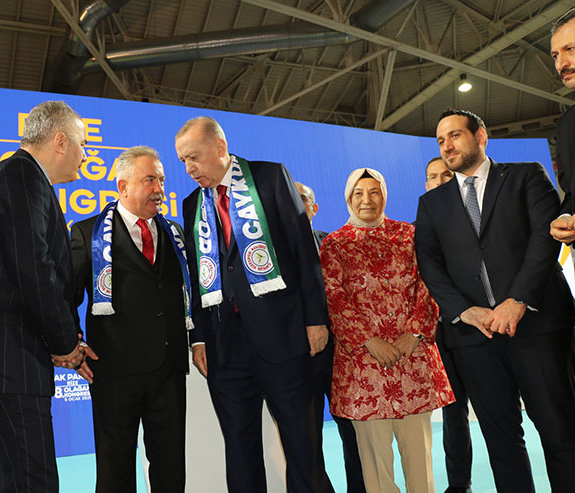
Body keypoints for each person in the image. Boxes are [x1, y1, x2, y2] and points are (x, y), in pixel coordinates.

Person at [415, 109, 575, 492]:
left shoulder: (526, 176)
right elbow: (430, 265)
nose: (447, 146)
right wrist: (464, 311)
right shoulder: (431, 204)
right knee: (502, 443)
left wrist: (518, 300)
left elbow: (544, 239)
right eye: (441, 140)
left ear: (481, 136)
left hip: (536, 326)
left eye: (455, 135)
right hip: (475, 338)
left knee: (560, 433)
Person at [176, 116, 331, 492]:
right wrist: (199, 338)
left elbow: (304, 251)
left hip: (283, 338)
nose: (189, 168)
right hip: (225, 349)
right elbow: (198, 278)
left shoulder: (270, 177)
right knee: (239, 450)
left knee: (302, 446)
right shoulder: (192, 203)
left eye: (194, 157)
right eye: (183, 161)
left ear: (220, 148)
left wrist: (315, 320)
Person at [0, 101, 86, 492]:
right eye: (83, 144)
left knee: (15, 481)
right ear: (60, 141)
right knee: (32, 482)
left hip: (3, 361)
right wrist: (64, 344)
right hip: (6, 362)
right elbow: (34, 271)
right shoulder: (21, 176)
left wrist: (67, 340)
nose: (86, 155)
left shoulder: (20, 177)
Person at [321, 168, 453, 493]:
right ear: (348, 199)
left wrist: (414, 333)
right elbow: (334, 297)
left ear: (384, 195)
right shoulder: (335, 244)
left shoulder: (409, 235)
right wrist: (369, 341)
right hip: (363, 368)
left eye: (374, 192)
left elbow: (428, 284)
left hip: (411, 359)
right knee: (376, 467)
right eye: (359, 193)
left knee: (419, 459)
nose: (367, 200)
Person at [70, 145, 190, 492]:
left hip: (168, 369)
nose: (159, 189)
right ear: (122, 186)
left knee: (170, 466)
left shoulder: (175, 233)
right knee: (115, 469)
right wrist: (72, 343)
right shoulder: (87, 233)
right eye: (150, 180)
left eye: (162, 180)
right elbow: (66, 296)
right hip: (114, 371)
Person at [295, 181, 366, 493]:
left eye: (301, 199)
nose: (295, 205)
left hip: (342, 355)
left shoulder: (333, 244)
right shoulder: (271, 254)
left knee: (354, 433)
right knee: (307, 439)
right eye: (288, 199)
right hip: (300, 357)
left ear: (314, 208)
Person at [423, 158, 472, 493]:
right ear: (426, 184)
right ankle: (459, 485)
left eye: (446, 175)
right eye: (433, 177)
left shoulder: (477, 220)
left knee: (498, 411)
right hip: (440, 336)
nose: (440, 181)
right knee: (453, 416)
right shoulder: (416, 229)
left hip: (478, 330)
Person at [549, 9, 575, 244]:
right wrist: (564, 217)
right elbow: (571, 194)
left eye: (571, 49)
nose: (561, 64)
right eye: (555, 55)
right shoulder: (566, 125)